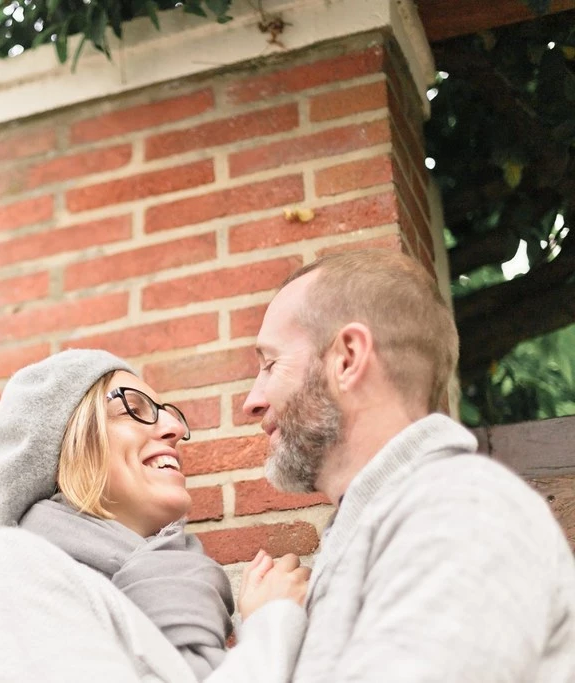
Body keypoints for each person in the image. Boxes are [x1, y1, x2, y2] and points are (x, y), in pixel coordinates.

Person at [241, 249, 575, 682]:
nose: (252, 401)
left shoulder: (460, 510)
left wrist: (267, 634)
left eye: (270, 364)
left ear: (347, 359)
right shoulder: (391, 523)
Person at [0, 349, 311, 683]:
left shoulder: (185, 593)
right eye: (133, 408)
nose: (176, 430)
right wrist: (272, 624)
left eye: (168, 413)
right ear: (67, 447)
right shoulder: (5, 570)